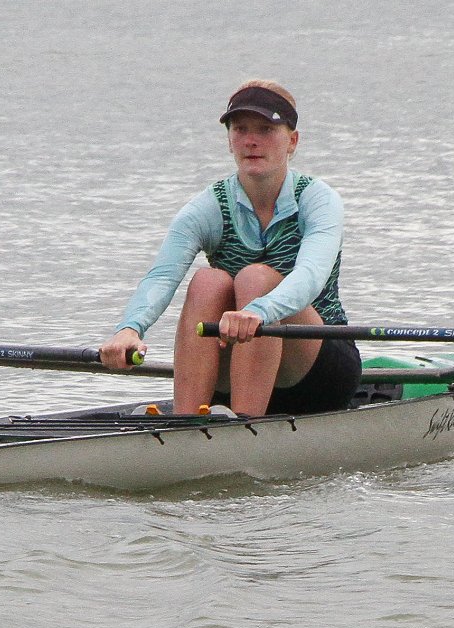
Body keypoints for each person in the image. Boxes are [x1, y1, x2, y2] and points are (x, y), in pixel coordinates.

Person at [99, 80, 360, 417]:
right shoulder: (210, 206)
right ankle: (188, 420)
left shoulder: (317, 199)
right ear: (229, 140)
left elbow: (310, 276)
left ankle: (244, 426)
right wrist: (129, 330)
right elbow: (162, 276)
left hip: (317, 373)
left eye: (266, 129)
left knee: (255, 278)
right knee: (208, 282)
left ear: (292, 141)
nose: (251, 140)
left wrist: (261, 311)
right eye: (240, 129)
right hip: (235, 368)